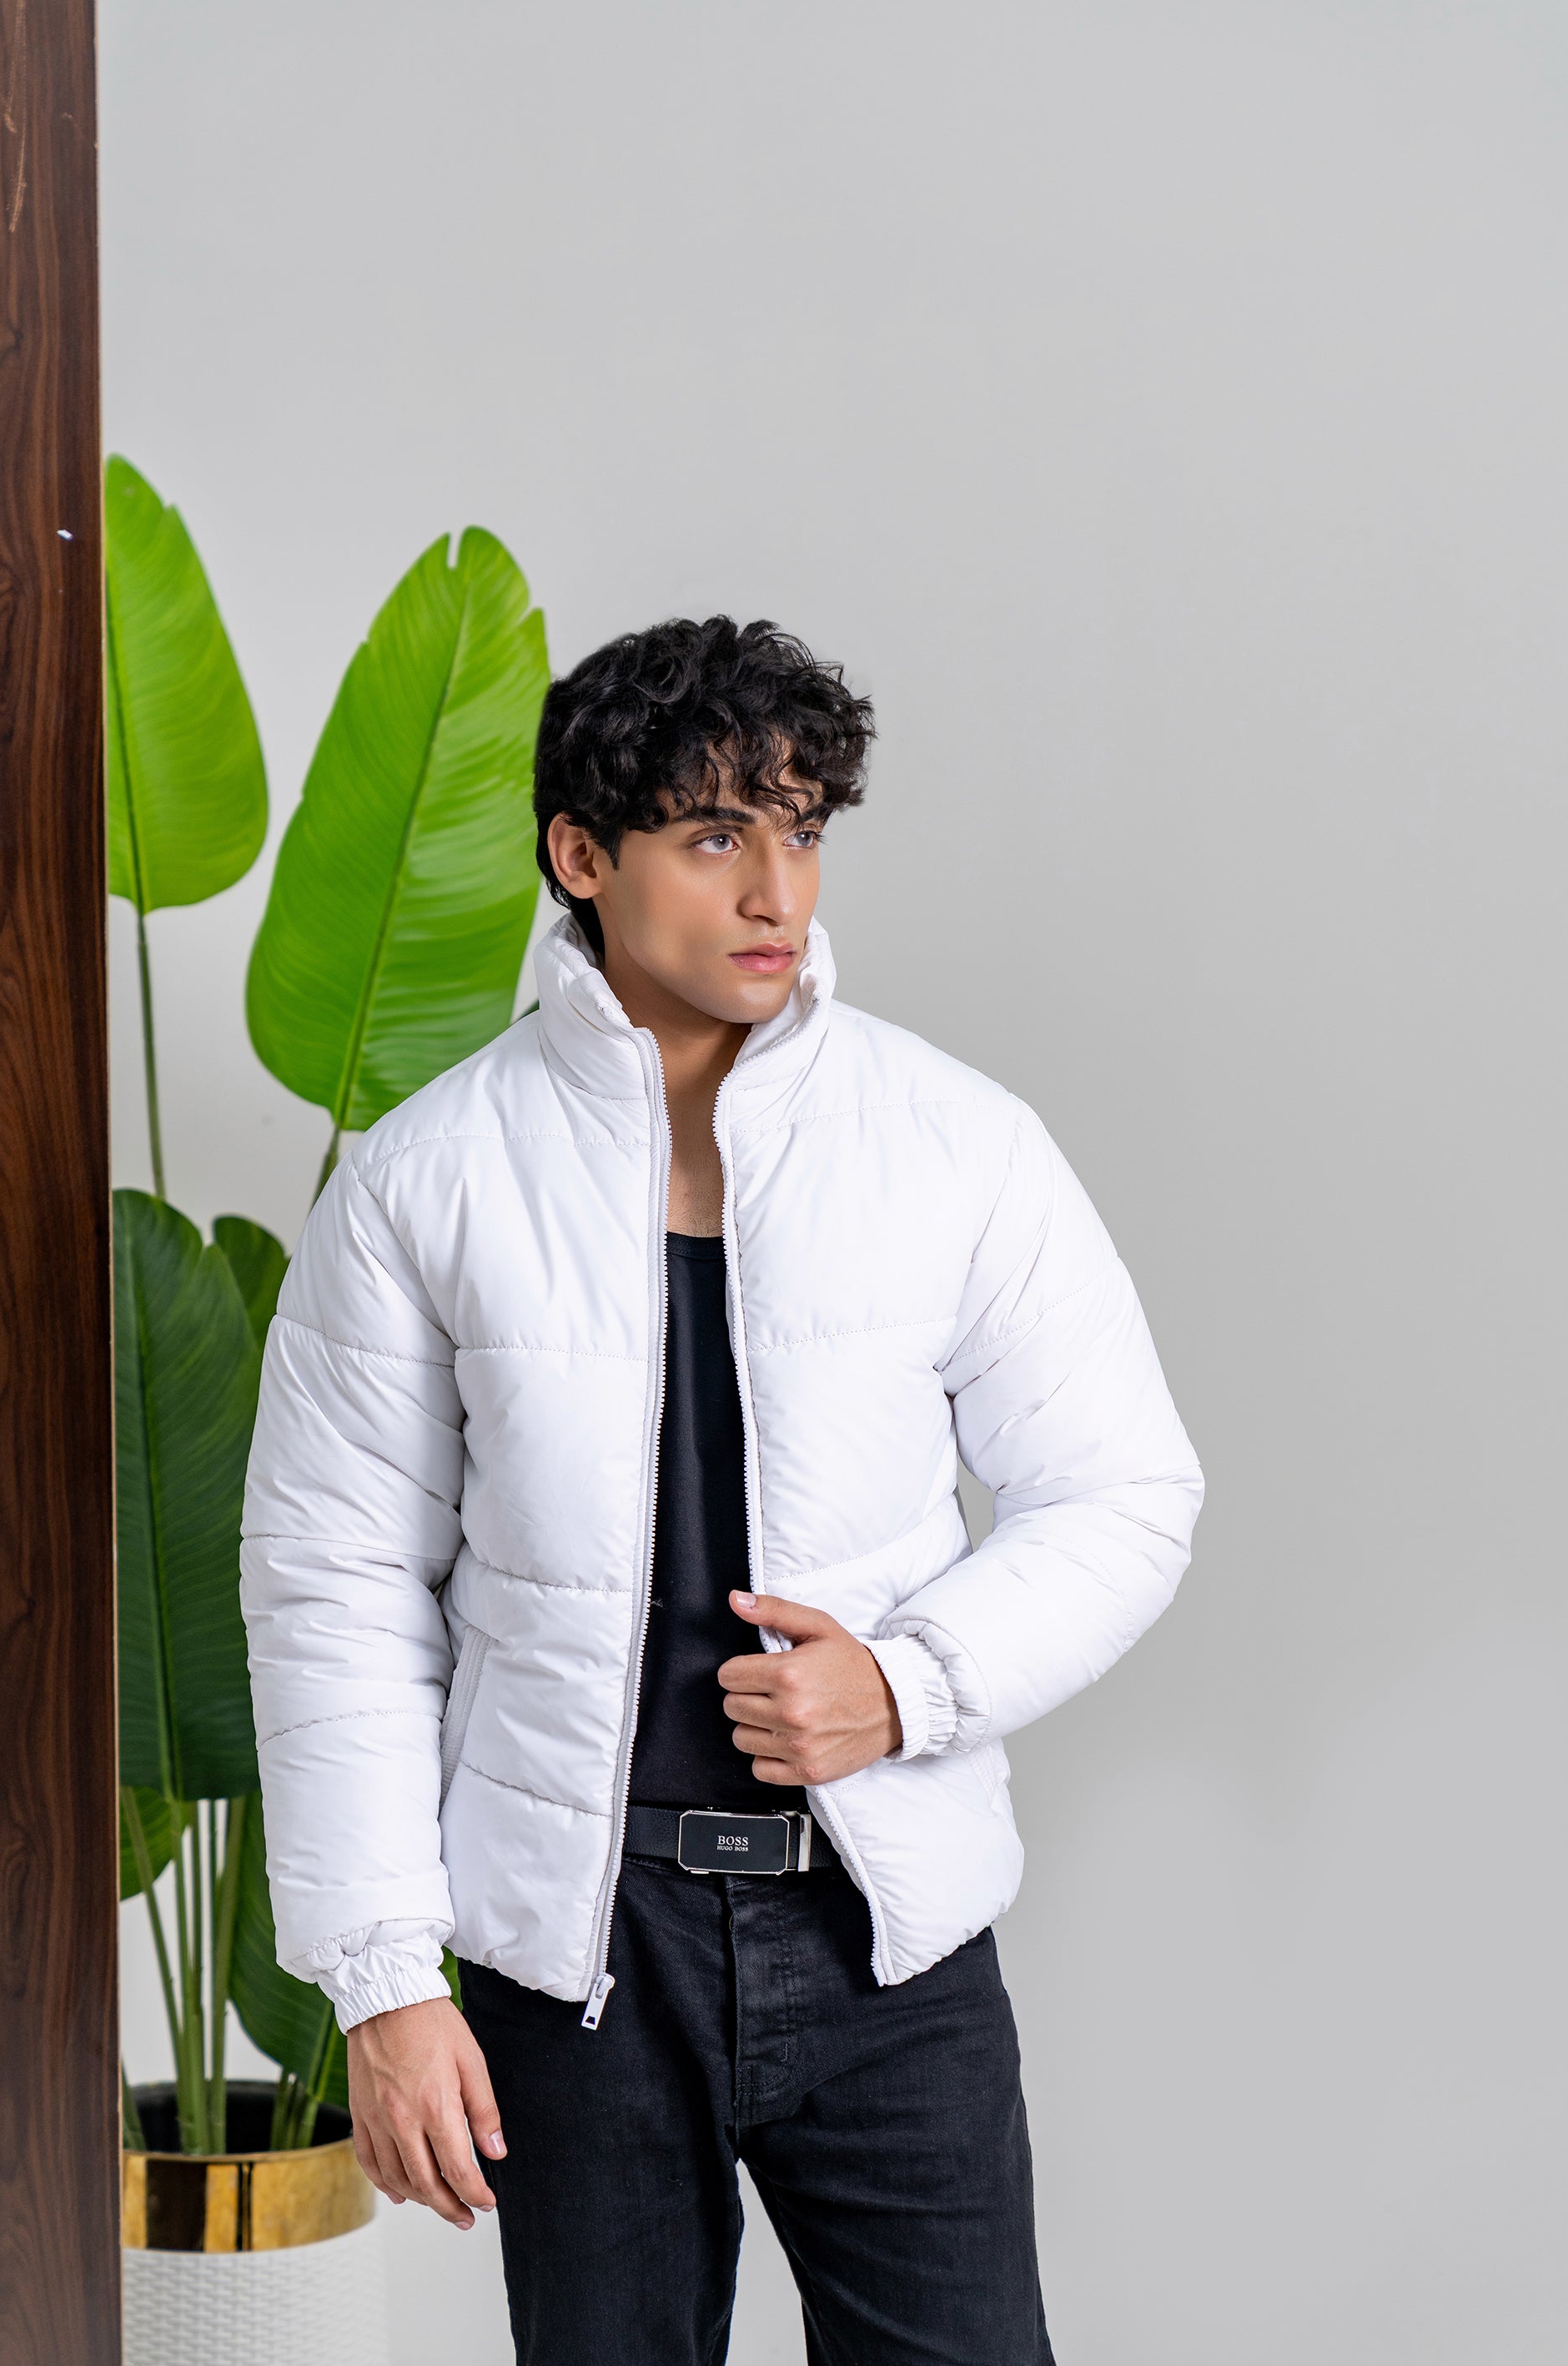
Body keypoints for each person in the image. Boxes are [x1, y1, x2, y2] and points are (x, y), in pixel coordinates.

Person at [240, 615, 1204, 2365]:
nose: (777, 892)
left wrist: (905, 1683)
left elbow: (1123, 1491)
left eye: (802, 830)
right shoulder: (424, 1180)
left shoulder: (956, 1144)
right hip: (581, 1948)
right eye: (712, 835)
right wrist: (384, 1979)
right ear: (581, 855)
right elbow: (335, 1586)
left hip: (883, 1927)